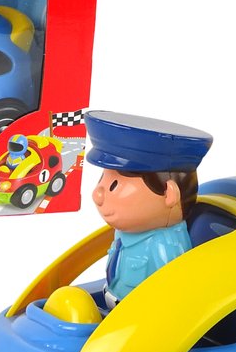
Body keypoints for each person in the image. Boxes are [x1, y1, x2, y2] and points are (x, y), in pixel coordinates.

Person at [84, 111, 213, 308]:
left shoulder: (165, 245)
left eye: (114, 185)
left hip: (142, 319)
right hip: (115, 309)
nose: (97, 194)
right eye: (103, 179)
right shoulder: (127, 230)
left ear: (169, 194)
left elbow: (173, 295)